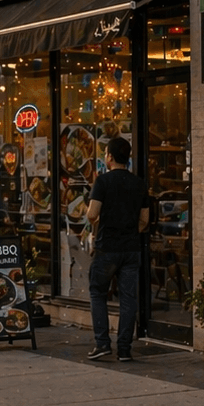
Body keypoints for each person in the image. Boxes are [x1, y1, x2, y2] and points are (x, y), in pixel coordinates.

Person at [86, 136, 148, 363]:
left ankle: (102, 343)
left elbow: (92, 214)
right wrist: (129, 230)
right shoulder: (139, 183)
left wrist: (95, 217)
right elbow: (144, 220)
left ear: (110, 157)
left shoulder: (102, 182)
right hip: (131, 248)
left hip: (107, 247)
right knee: (129, 299)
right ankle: (124, 349)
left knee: (98, 292)